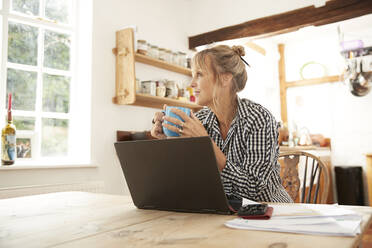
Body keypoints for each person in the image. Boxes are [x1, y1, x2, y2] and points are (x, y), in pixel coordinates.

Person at [151, 45, 293, 203]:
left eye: (199, 74)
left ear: (225, 78)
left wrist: (206, 143)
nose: (191, 83)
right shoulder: (200, 119)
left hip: (270, 210)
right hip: (225, 211)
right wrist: (169, 138)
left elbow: (253, 189)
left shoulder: (259, 118)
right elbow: (186, 178)